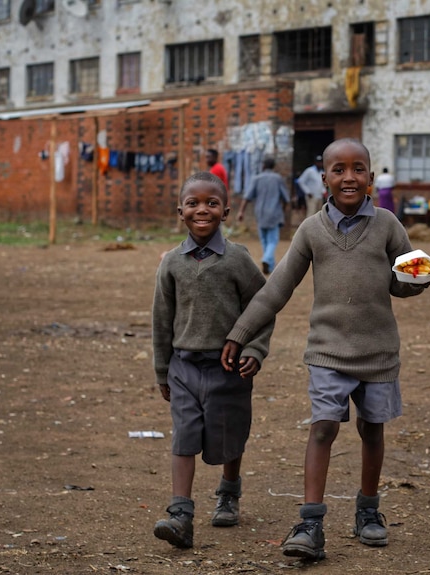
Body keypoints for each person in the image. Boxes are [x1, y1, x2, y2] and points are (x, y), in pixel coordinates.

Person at [222, 138, 430, 560]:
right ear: (324, 180)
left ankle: (369, 511)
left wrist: (419, 279)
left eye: (358, 169)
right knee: (322, 428)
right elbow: (277, 288)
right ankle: (310, 522)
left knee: (372, 430)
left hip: (378, 354)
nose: (349, 177)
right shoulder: (310, 231)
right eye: (338, 170)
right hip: (327, 352)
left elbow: (398, 282)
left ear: (372, 178)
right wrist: (240, 332)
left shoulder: (389, 225)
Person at [152, 171, 274, 549]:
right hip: (184, 367)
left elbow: (264, 306)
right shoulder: (171, 263)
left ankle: (228, 493)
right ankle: (181, 514)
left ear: (225, 212)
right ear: (180, 211)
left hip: (229, 368)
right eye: (193, 203)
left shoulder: (238, 259)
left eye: (211, 203)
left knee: (228, 435)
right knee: (184, 437)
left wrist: (254, 350)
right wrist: (162, 370)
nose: (201, 209)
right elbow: (161, 318)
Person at [237, 157, 291, 274]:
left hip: (260, 213)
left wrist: (241, 211)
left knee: (264, 240)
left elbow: (246, 198)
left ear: (263, 166)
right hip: (274, 213)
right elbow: (286, 198)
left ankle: (270, 266)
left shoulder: (256, 179)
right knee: (273, 240)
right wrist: (282, 209)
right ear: (273, 166)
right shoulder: (278, 179)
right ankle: (266, 259)